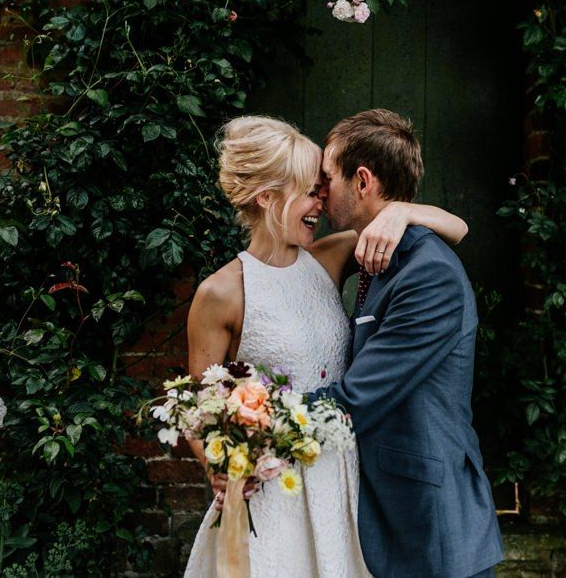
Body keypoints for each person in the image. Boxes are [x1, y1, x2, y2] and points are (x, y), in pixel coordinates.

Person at [183, 115, 469, 577]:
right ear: (268, 198)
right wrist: (220, 462)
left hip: (343, 480)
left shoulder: (329, 258)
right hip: (275, 486)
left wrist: (403, 211)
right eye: (310, 191)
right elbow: (198, 399)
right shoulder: (221, 293)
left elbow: (455, 228)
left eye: (323, 187)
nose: (321, 201)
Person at [309, 108, 503, 577]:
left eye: (326, 178)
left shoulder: (428, 273)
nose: (318, 191)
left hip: (430, 521)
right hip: (386, 511)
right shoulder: (376, 251)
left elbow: (357, 399)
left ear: (362, 180)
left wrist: (249, 418)